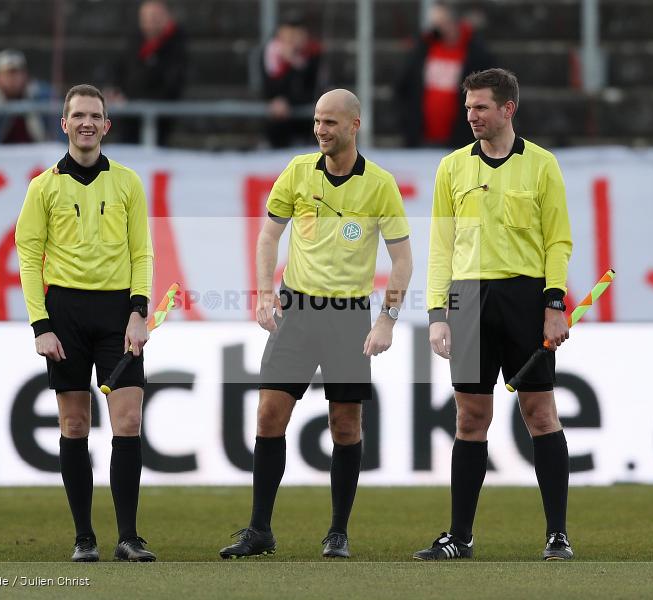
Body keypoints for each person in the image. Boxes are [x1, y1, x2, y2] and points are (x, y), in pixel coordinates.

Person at [219, 89, 413, 559]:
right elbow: (269, 234)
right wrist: (265, 294)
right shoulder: (298, 172)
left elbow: (402, 257)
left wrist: (387, 319)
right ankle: (259, 529)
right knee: (269, 414)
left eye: (330, 122)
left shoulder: (380, 184)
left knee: (345, 425)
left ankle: (337, 532)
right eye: (317, 121)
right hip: (298, 309)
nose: (321, 130)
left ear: (354, 125)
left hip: (348, 315)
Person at [414, 68, 574, 561]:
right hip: (466, 298)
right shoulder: (451, 168)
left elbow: (557, 240)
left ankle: (556, 536)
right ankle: (459, 537)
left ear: (508, 109)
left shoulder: (542, 165)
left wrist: (554, 303)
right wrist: (437, 311)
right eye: (468, 107)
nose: (471, 116)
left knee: (540, 413)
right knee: (470, 417)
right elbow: (440, 245)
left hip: (526, 299)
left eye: (480, 107)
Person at [15, 84, 156, 563]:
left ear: (107, 125)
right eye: (78, 115)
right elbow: (29, 256)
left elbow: (142, 251)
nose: (87, 123)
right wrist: (41, 326)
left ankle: (129, 536)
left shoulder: (128, 183)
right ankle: (84, 537)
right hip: (67, 315)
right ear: (64, 124)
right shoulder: (44, 187)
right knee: (75, 423)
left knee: (129, 420)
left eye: (95, 115)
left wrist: (139, 312)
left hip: (119, 314)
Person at [395, 1, 493, 148]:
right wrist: (406, 121)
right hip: (421, 137)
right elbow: (403, 86)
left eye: (445, 22)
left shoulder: (475, 53)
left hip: (461, 138)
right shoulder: (424, 48)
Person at [108, 0, 187, 145]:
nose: (150, 22)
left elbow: (172, 85)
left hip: (159, 121)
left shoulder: (176, 46)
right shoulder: (134, 42)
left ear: (166, 17)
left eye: (155, 17)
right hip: (128, 119)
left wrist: (133, 101)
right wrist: (115, 92)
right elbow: (119, 70)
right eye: (146, 17)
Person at [260, 14, 322, 148]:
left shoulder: (314, 55)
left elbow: (312, 89)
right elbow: (267, 89)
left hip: (308, 113)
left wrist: (296, 66)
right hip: (281, 116)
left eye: (297, 34)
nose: (292, 39)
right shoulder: (270, 55)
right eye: (288, 34)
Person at [0, 49, 60, 144]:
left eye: (16, 73)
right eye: (7, 74)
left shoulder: (44, 95)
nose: (12, 79)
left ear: (26, 75)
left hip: (38, 156)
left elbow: (58, 134)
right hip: (1, 157)